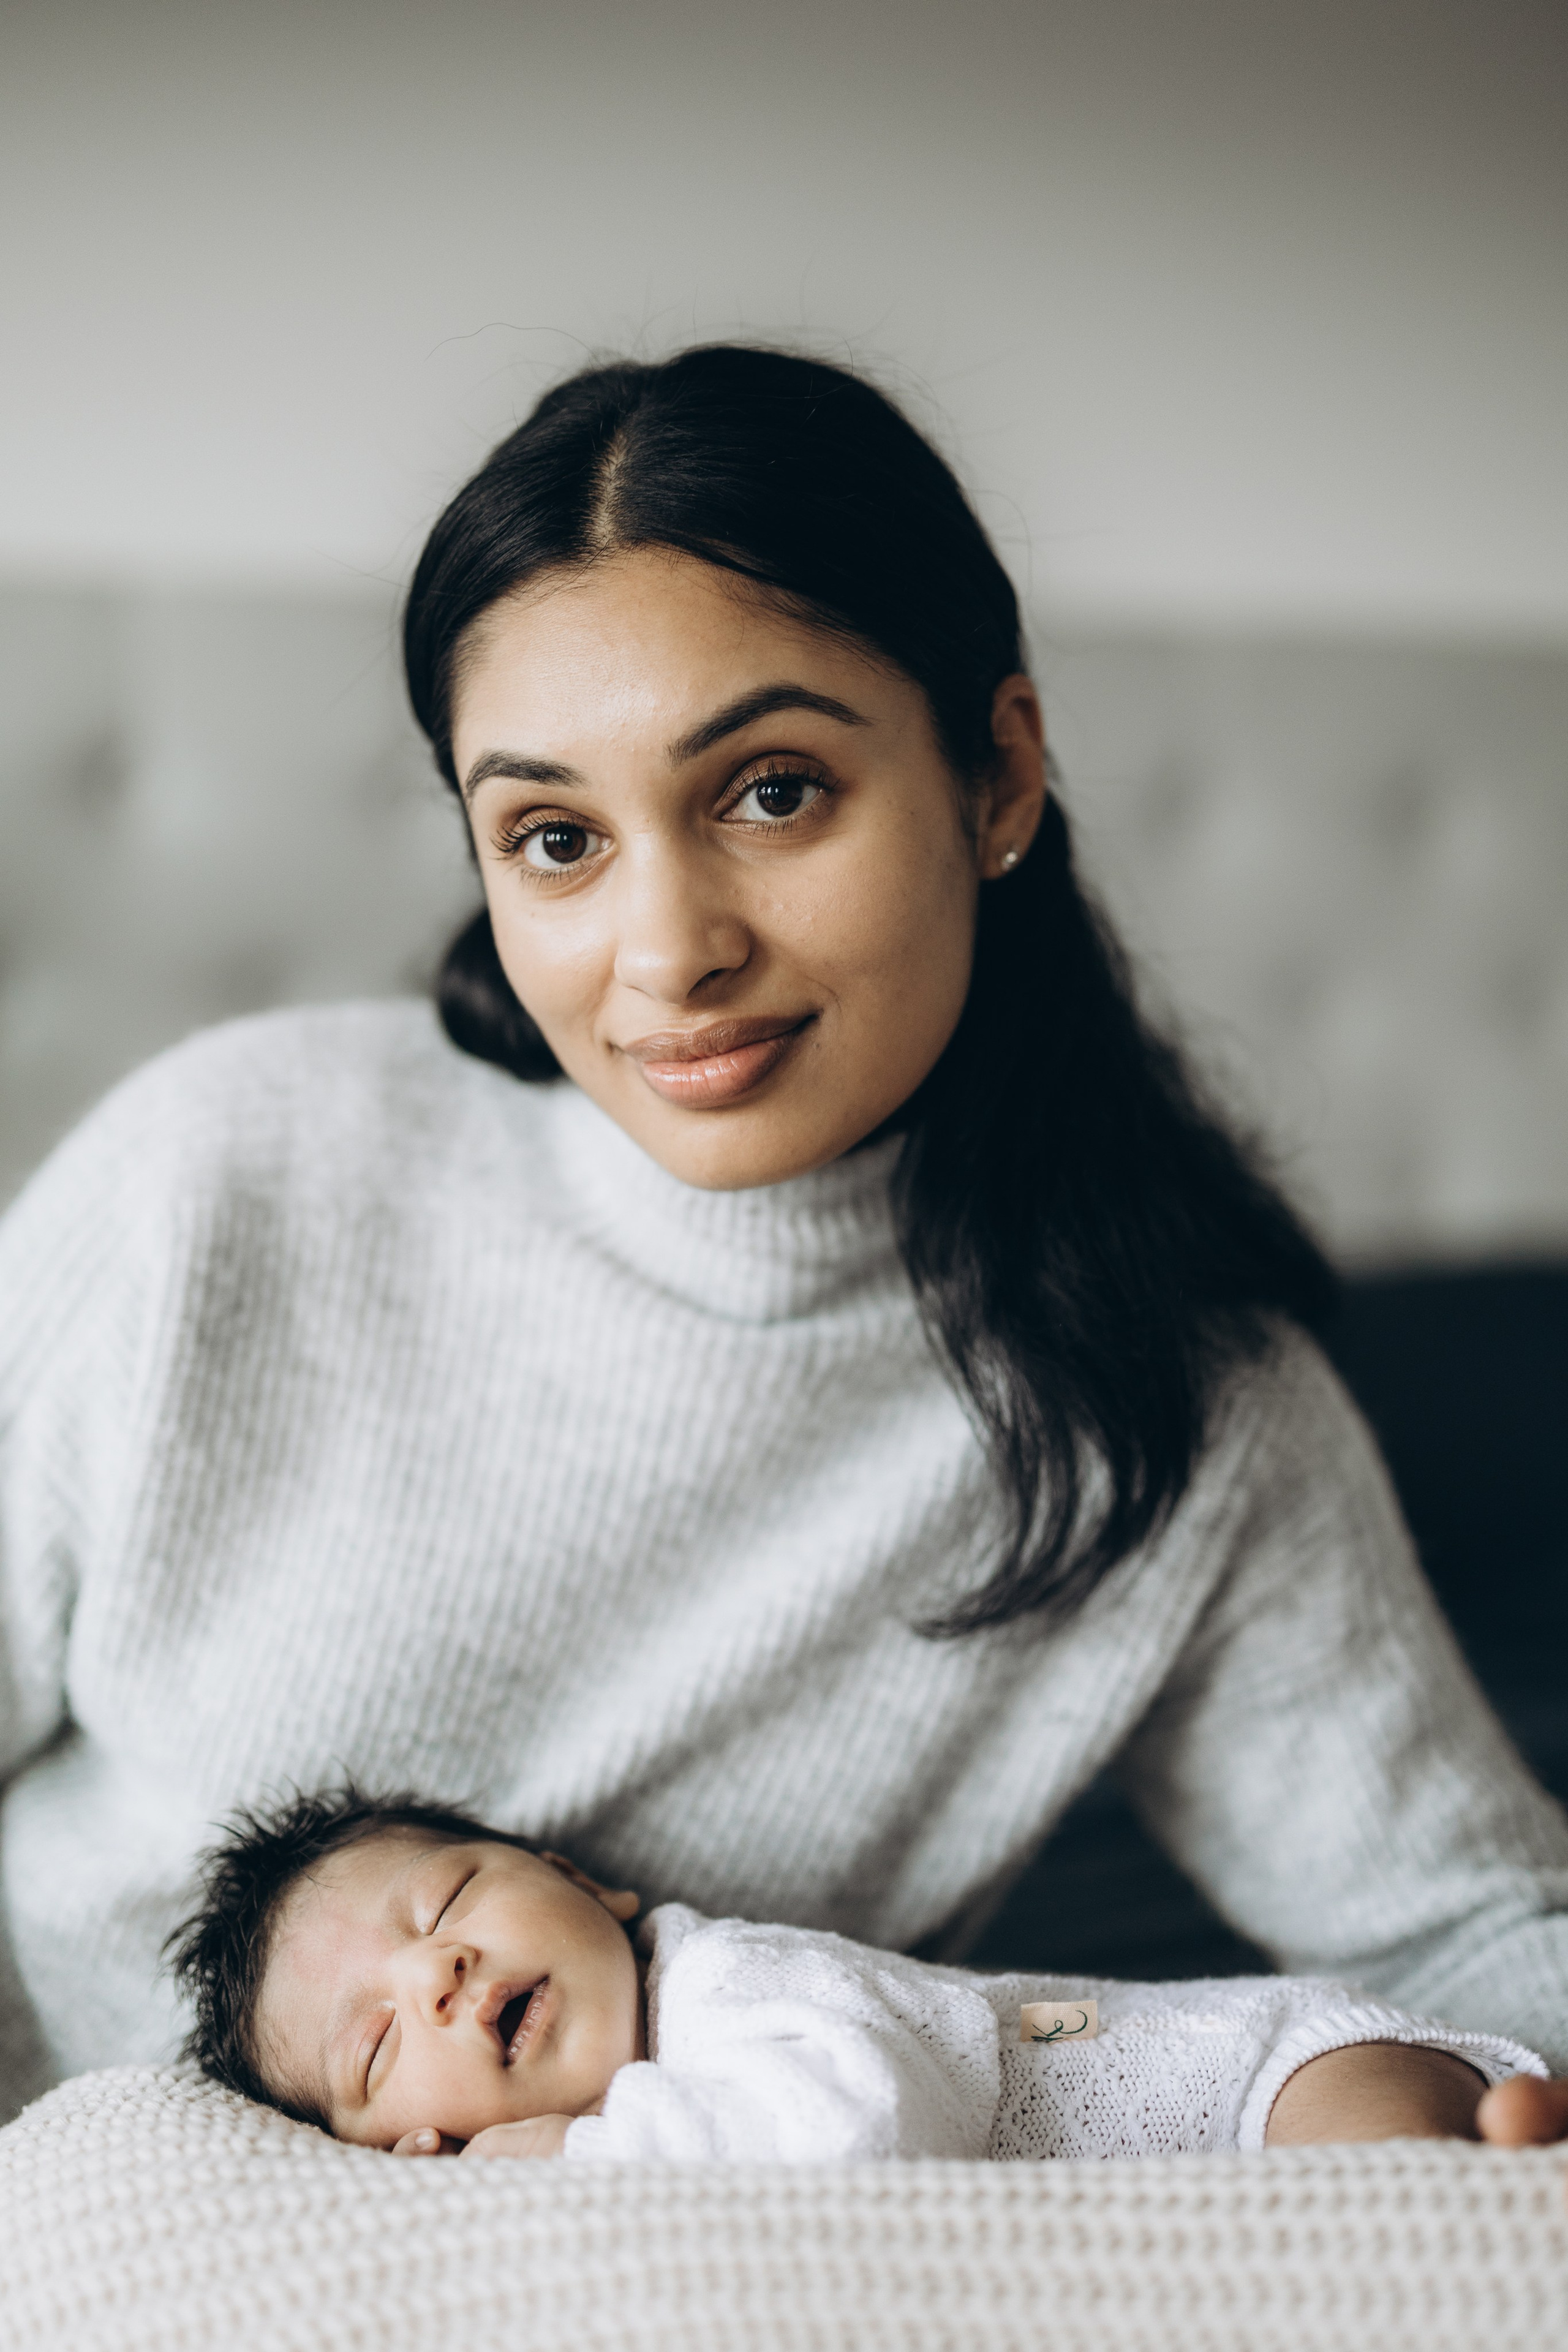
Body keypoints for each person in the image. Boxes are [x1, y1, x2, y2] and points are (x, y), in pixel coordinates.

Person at [2, 344, 1568, 2157]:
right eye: (555, 837)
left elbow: (1475, 1935)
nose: (669, 950)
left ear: (997, 774)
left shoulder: (1173, 1404)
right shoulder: (226, 1177)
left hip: (673, 2276)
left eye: (770, 792)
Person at [168, 1789, 1542, 2162]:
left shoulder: (729, 1987)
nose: (442, 1971)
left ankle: (1489, 2193)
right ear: (403, 2150)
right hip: (1180, 2197)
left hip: (1262, 2077)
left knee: (1372, 2197)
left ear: (584, 1883)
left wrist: (580, 2155)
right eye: (375, 2042)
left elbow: (868, 2126)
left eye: (450, 1900)